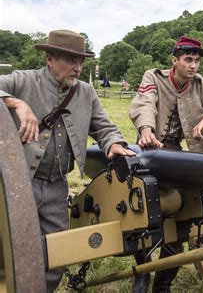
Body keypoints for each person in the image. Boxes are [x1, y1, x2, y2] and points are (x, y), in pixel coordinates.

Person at [0, 29, 136, 292]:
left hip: (56, 186)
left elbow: (104, 127)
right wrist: (17, 104)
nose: (78, 67)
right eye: (71, 60)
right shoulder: (24, 80)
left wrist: (115, 144)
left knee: (57, 253)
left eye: (81, 61)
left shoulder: (86, 92)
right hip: (17, 185)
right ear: (49, 58)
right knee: (9, 249)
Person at [129, 36, 203, 292]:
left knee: (184, 221)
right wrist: (146, 129)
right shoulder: (154, 77)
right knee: (144, 220)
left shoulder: (200, 85)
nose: (193, 66)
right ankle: (142, 272)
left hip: (178, 155)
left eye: (197, 61)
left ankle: (163, 283)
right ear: (175, 61)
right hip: (148, 152)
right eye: (188, 60)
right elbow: (144, 103)